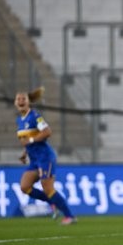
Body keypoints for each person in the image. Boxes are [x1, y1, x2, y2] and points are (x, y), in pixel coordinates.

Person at [14, 87, 76, 225]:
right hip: (34, 160)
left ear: (29, 101)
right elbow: (27, 139)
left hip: (45, 157)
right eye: (18, 99)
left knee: (48, 188)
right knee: (25, 186)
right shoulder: (19, 120)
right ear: (15, 102)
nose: (20, 101)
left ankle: (70, 216)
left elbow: (47, 132)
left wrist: (31, 140)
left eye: (23, 98)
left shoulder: (35, 116)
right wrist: (24, 153)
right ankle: (52, 202)